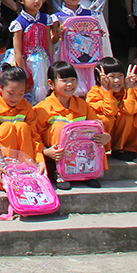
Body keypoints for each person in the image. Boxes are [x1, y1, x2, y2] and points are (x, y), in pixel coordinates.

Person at [34, 61, 110, 190]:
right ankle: (61, 173)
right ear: (51, 84)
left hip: (82, 151)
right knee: (60, 127)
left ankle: (89, 173)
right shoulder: (43, 108)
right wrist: (46, 151)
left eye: (73, 80)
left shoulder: (82, 105)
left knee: (92, 127)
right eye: (64, 80)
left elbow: (98, 126)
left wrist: (106, 136)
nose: (70, 84)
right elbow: (34, 136)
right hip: (57, 153)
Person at [0, 65, 44, 191]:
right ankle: (3, 174)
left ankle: (27, 170)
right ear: (0, 88)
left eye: (21, 93)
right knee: (7, 127)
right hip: (2, 162)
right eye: (11, 93)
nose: (15, 98)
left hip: (25, 160)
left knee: (22, 126)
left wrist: (40, 160)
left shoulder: (26, 108)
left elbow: (35, 137)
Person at [52, 0, 113, 95]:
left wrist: (98, 33)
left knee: (90, 85)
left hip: (88, 56)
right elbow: (52, 40)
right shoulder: (56, 17)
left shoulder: (91, 14)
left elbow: (97, 36)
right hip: (67, 56)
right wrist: (59, 34)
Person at [8, 0, 53, 102]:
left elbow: (49, 43)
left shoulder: (45, 19)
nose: (37, 1)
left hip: (43, 61)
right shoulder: (19, 23)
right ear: (21, 0)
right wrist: (21, 71)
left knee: (44, 87)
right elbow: (18, 51)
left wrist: (51, 61)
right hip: (26, 61)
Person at [86, 57, 134, 158]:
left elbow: (130, 110)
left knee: (127, 116)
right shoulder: (94, 93)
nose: (117, 80)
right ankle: (103, 149)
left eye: (121, 76)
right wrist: (106, 90)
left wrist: (130, 89)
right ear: (99, 78)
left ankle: (118, 149)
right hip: (100, 136)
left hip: (115, 134)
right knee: (107, 118)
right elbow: (110, 111)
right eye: (112, 76)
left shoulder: (124, 92)